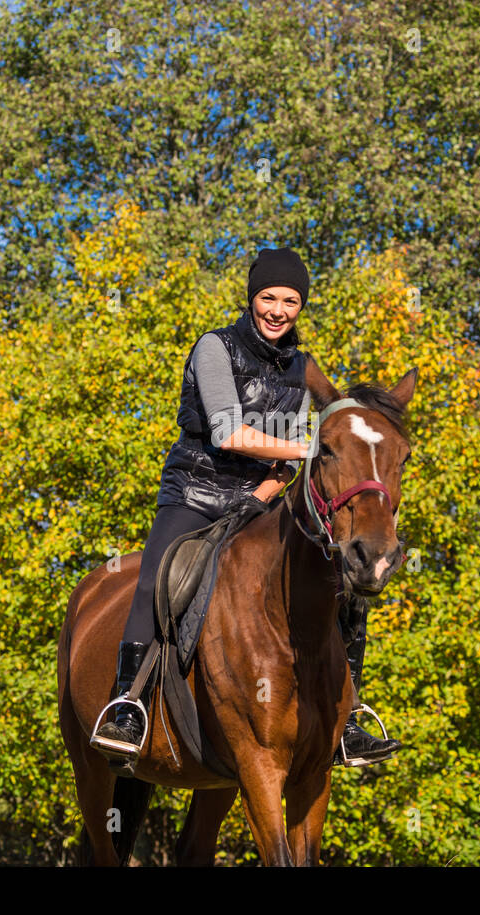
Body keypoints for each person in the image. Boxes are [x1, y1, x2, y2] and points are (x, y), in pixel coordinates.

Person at [91, 247, 402, 768]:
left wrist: (284, 480)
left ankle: (347, 720)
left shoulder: (304, 368)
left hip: (262, 501)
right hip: (196, 493)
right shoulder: (215, 347)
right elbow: (228, 431)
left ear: (300, 306)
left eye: (290, 300)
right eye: (268, 297)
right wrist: (310, 450)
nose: (277, 309)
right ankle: (128, 706)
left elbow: (318, 434)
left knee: (341, 583)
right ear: (252, 298)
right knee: (156, 576)